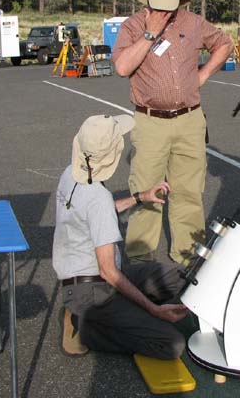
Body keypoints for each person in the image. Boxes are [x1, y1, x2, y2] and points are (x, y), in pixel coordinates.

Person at [112, 0, 234, 266]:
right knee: (145, 189)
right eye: (159, 3)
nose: (165, 10)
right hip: (150, 120)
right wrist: (149, 34)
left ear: (180, 0)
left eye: (171, 3)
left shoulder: (193, 23)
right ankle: (140, 256)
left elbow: (225, 44)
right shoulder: (132, 26)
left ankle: (188, 253)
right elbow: (122, 68)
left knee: (189, 190)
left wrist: (203, 75)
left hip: (189, 119)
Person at [52, 114, 189, 359]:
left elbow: (92, 215)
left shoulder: (70, 173)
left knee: (177, 276)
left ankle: (122, 313)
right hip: (93, 293)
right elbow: (108, 271)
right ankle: (85, 327)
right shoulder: (97, 197)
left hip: (82, 282)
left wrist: (140, 197)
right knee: (171, 344)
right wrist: (154, 310)